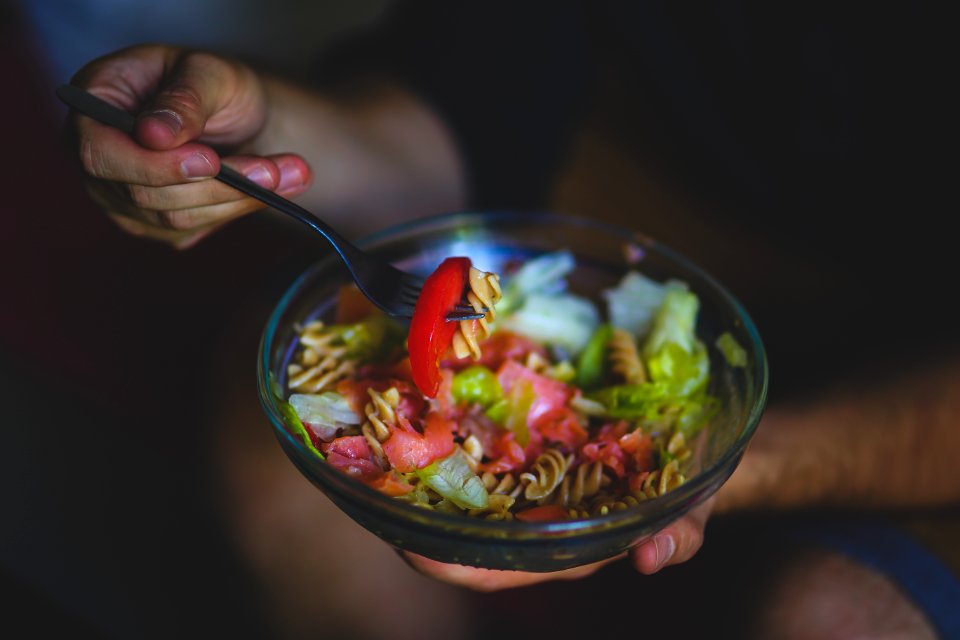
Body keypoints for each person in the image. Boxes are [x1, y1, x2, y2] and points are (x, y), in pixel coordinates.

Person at [60, 1, 959, 638]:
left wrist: (710, 475)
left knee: (832, 618)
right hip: (648, 204)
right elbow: (467, 107)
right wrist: (272, 134)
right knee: (268, 453)